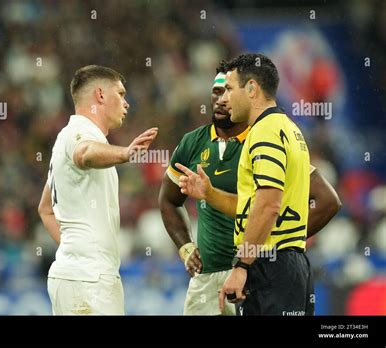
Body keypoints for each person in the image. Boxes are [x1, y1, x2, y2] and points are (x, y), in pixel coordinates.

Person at [170, 55, 341, 315]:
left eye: (229, 89)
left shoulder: (264, 132)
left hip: (269, 266)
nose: (223, 99)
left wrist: (243, 265)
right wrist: (210, 194)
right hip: (288, 266)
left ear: (251, 89)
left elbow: (269, 205)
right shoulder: (288, 129)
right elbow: (256, 206)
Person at [38, 65, 158, 315]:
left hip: (80, 275)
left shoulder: (66, 138)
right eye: (121, 94)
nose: (126, 103)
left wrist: (74, 248)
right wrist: (126, 153)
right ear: (101, 95)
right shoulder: (80, 133)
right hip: (89, 280)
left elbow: (45, 209)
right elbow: (85, 153)